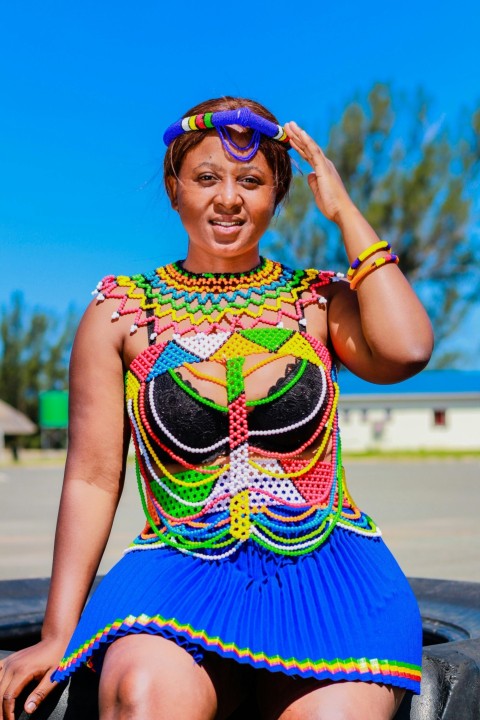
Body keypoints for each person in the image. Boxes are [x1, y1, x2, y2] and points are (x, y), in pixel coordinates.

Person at [0, 97, 434, 720]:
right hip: (177, 572)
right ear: (174, 188)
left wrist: (344, 212)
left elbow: (409, 349)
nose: (228, 197)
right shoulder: (122, 312)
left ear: (278, 196)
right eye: (206, 177)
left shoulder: (318, 300)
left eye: (251, 180)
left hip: (331, 578)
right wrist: (56, 631)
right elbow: (93, 478)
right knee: (146, 696)